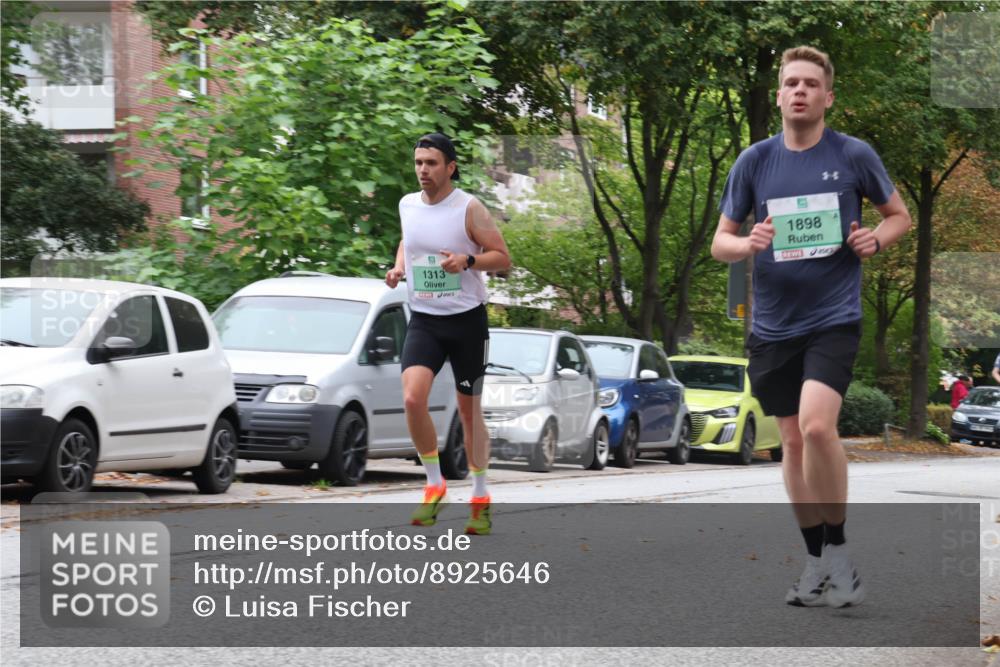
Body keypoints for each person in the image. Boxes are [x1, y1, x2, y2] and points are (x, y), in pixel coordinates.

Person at [711, 46, 913, 607]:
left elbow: (899, 217)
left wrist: (875, 239)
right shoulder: (754, 161)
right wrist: (746, 243)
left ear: (828, 97)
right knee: (793, 443)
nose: (800, 91)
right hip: (773, 326)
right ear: (779, 94)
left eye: (810, 84)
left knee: (818, 428)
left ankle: (840, 552)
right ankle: (816, 562)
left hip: (833, 319)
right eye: (791, 82)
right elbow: (720, 242)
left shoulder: (853, 155)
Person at [385, 133, 512, 536]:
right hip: (424, 319)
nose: (423, 170)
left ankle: (480, 496)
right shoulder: (407, 204)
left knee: (468, 412)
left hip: (466, 321)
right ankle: (434, 484)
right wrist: (399, 267)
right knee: (412, 398)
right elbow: (409, 240)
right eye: (418, 162)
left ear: (450, 167)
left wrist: (467, 260)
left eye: (431, 163)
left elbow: (503, 258)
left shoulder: (469, 208)